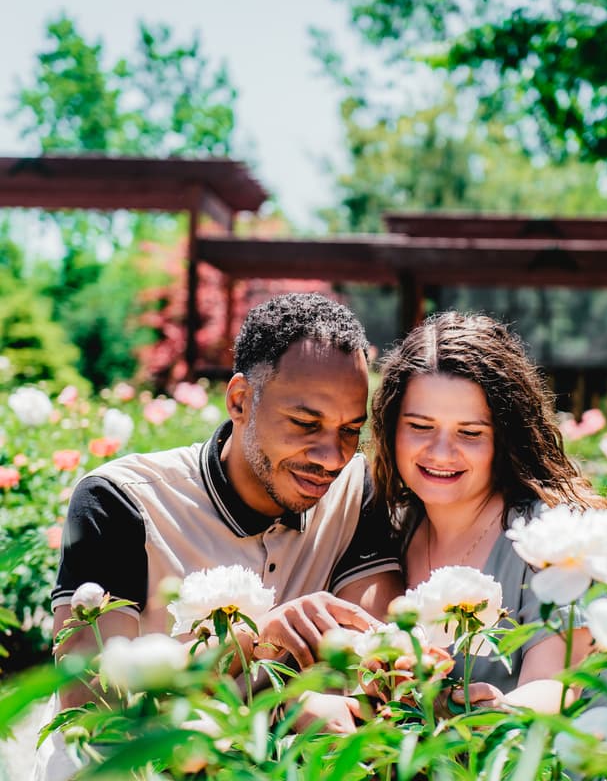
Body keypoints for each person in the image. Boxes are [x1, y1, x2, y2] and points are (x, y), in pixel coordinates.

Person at [49, 292, 404, 714]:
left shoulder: (353, 490)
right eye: (305, 424)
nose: (332, 457)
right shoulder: (120, 500)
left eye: (350, 430)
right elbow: (89, 704)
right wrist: (254, 642)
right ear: (239, 401)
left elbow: (379, 668)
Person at [370, 311, 607, 712]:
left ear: (505, 436)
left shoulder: (555, 537)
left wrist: (502, 712)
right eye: (420, 426)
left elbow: (559, 685)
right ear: (391, 427)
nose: (441, 452)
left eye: (470, 432)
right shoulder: (390, 526)